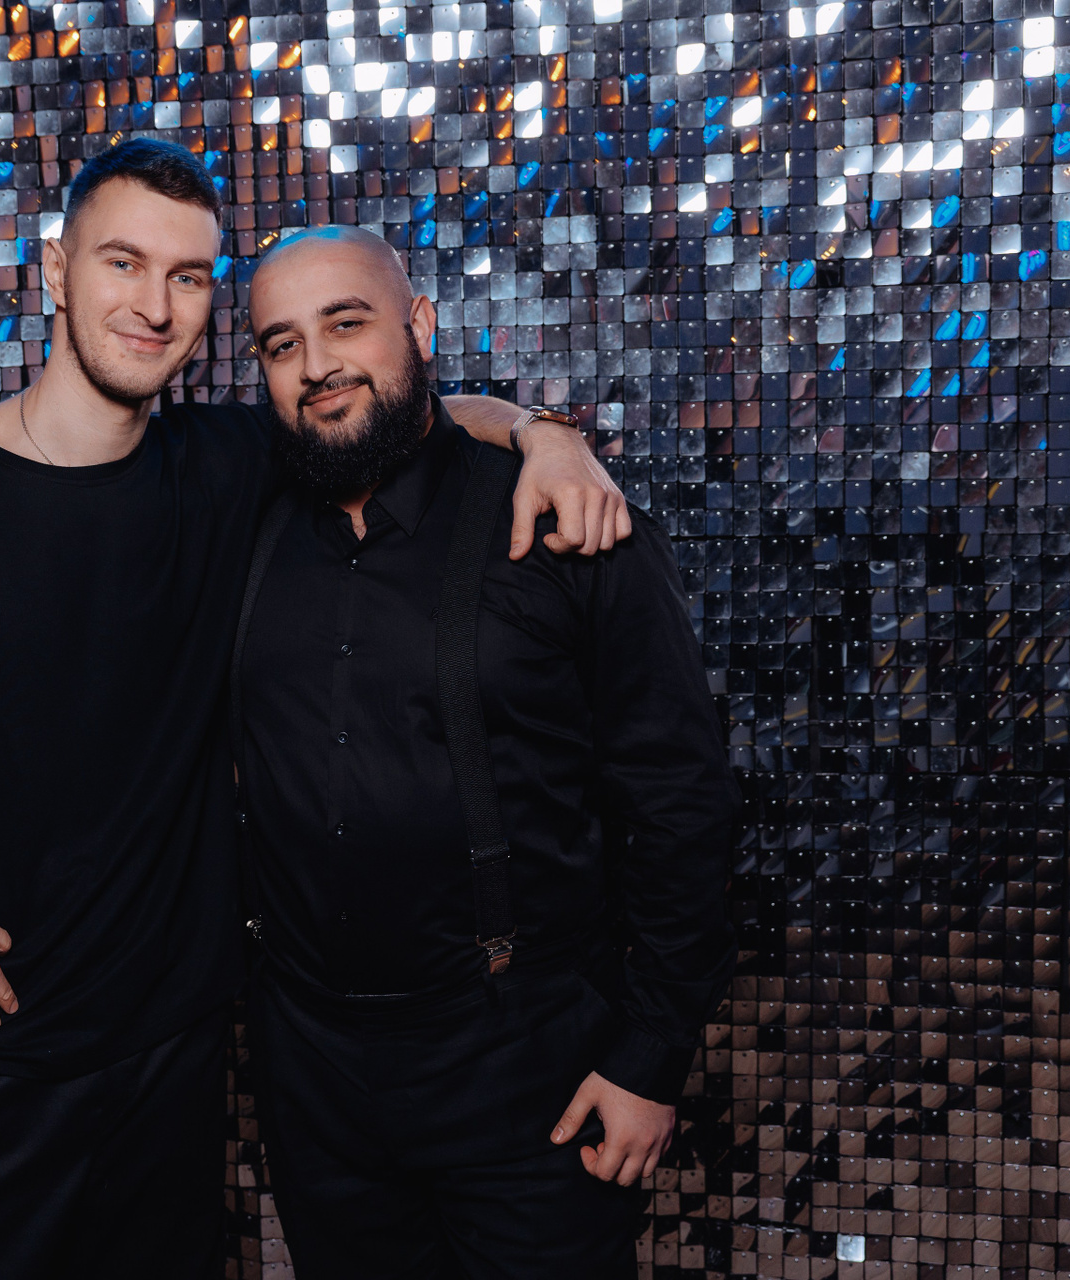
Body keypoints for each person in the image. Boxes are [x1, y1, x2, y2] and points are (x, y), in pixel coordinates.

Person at [0, 139, 631, 1280]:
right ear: (54, 271)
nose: (154, 306)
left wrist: (546, 434)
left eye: (188, 275)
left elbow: (397, 405)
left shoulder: (227, 464)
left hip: (172, 1078)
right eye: (123, 262)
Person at [232, 226, 738, 1280]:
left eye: (347, 323)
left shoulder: (562, 517)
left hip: (525, 1065)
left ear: (420, 324)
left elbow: (678, 800)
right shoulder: (241, 516)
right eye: (282, 343)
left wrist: (650, 1055)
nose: (317, 363)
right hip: (314, 1077)